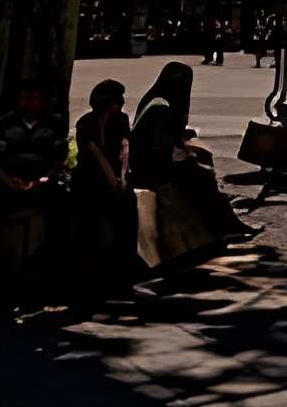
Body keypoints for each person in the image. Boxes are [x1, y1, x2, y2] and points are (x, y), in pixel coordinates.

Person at [130, 62, 255, 265]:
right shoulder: (162, 108)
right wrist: (182, 155)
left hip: (146, 165)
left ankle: (225, 224)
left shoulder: (155, 99)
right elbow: (160, 145)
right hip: (152, 170)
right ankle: (225, 226)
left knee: (200, 173)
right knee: (201, 178)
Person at [0, 85, 67, 298]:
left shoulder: (54, 124)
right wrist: (10, 182)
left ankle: (49, 271)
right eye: (24, 98)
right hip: (8, 183)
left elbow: (58, 163)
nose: (28, 103)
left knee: (62, 207)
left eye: (33, 98)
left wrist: (41, 181)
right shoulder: (3, 124)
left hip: (42, 184)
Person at [70, 77, 137, 303]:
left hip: (114, 177)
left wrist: (122, 179)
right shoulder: (86, 123)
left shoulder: (121, 120)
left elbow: (124, 151)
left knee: (126, 215)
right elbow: (96, 155)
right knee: (97, 220)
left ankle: (121, 275)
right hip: (90, 179)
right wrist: (113, 181)